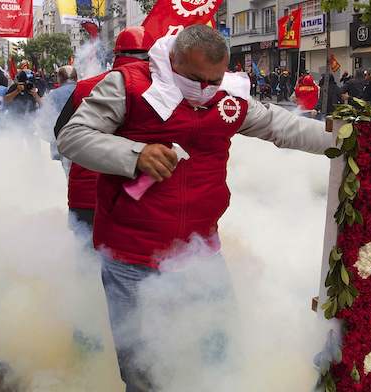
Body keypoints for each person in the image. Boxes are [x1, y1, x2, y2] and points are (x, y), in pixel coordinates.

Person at [57, 25, 332, 392]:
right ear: (172, 60)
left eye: (213, 80)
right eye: (195, 78)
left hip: (199, 252)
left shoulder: (228, 97)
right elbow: (72, 137)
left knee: (218, 350)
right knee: (143, 369)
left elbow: (280, 127)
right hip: (131, 254)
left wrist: (349, 138)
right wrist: (134, 154)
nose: (205, 89)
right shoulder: (127, 85)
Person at [52, 26, 152, 234]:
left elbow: (61, 132)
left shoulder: (84, 87)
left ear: (116, 54)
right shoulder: (160, 90)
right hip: (137, 195)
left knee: (86, 260)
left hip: (86, 194)